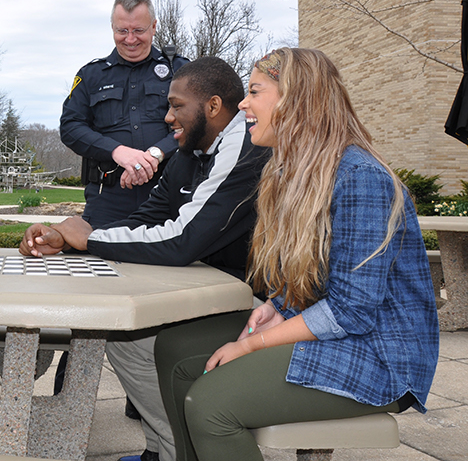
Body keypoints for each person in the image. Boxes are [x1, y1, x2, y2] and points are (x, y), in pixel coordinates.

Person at [153, 48, 439, 461]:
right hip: (342, 329)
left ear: (295, 98)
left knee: (212, 405)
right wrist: (279, 306)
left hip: (381, 353)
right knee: (176, 350)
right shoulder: (291, 171)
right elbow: (316, 272)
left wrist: (253, 346)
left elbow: (352, 311)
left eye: (254, 92)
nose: (244, 104)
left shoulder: (360, 177)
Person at [21, 57, 271, 461]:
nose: (168, 116)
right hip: (205, 289)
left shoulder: (244, 146)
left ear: (212, 106)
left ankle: (181, 452)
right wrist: (66, 238)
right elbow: (145, 220)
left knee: (131, 336)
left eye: (176, 106)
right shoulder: (191, 148)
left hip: (257, 304)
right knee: (122, 335)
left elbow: (182, 242)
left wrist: (92, 239)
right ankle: (164, 449)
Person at [60, 0, 189, 229]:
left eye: (138, 30)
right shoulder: (91, 75)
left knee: (170, 266)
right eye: (122, 31)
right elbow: (70, 127)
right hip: (108, 199)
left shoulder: (181, 72)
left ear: (154, 26)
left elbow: (201, 123)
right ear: (112, 28)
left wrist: (155, 154)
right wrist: (117, 151)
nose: (130, 39)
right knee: (98, 265)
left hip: (170, 196)